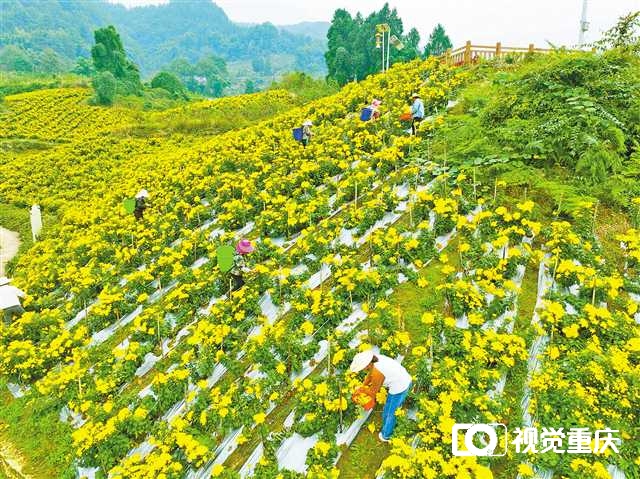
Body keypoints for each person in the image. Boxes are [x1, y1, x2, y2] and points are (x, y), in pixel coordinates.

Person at [350, 350, 412, 442]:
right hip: (402, 378)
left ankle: (386, 435)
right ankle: (387, 425)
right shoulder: (375, 360)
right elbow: (369, 375)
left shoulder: (378, 372)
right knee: (388, 407)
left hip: (400, 386)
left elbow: (373, 392)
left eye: (362, 368)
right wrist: (363, 385)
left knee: (392, 412)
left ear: (367, 365)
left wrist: (361, 389)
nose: (362, 370)